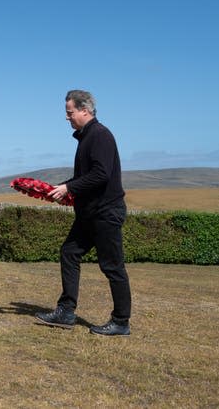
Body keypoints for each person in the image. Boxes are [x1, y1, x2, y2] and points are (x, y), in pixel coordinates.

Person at [36, 89, 132, 336]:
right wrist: (62, 189)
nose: (67, 118)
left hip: (106, 212)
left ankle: (121, 321)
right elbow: (84, 178)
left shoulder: (100, 136)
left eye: (69, 113)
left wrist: (70, 187)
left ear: (84, 110)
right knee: (69, 252)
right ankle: (66, 312)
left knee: (112, 266)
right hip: (89, 213)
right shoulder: (85, 138)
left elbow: (101, 175)